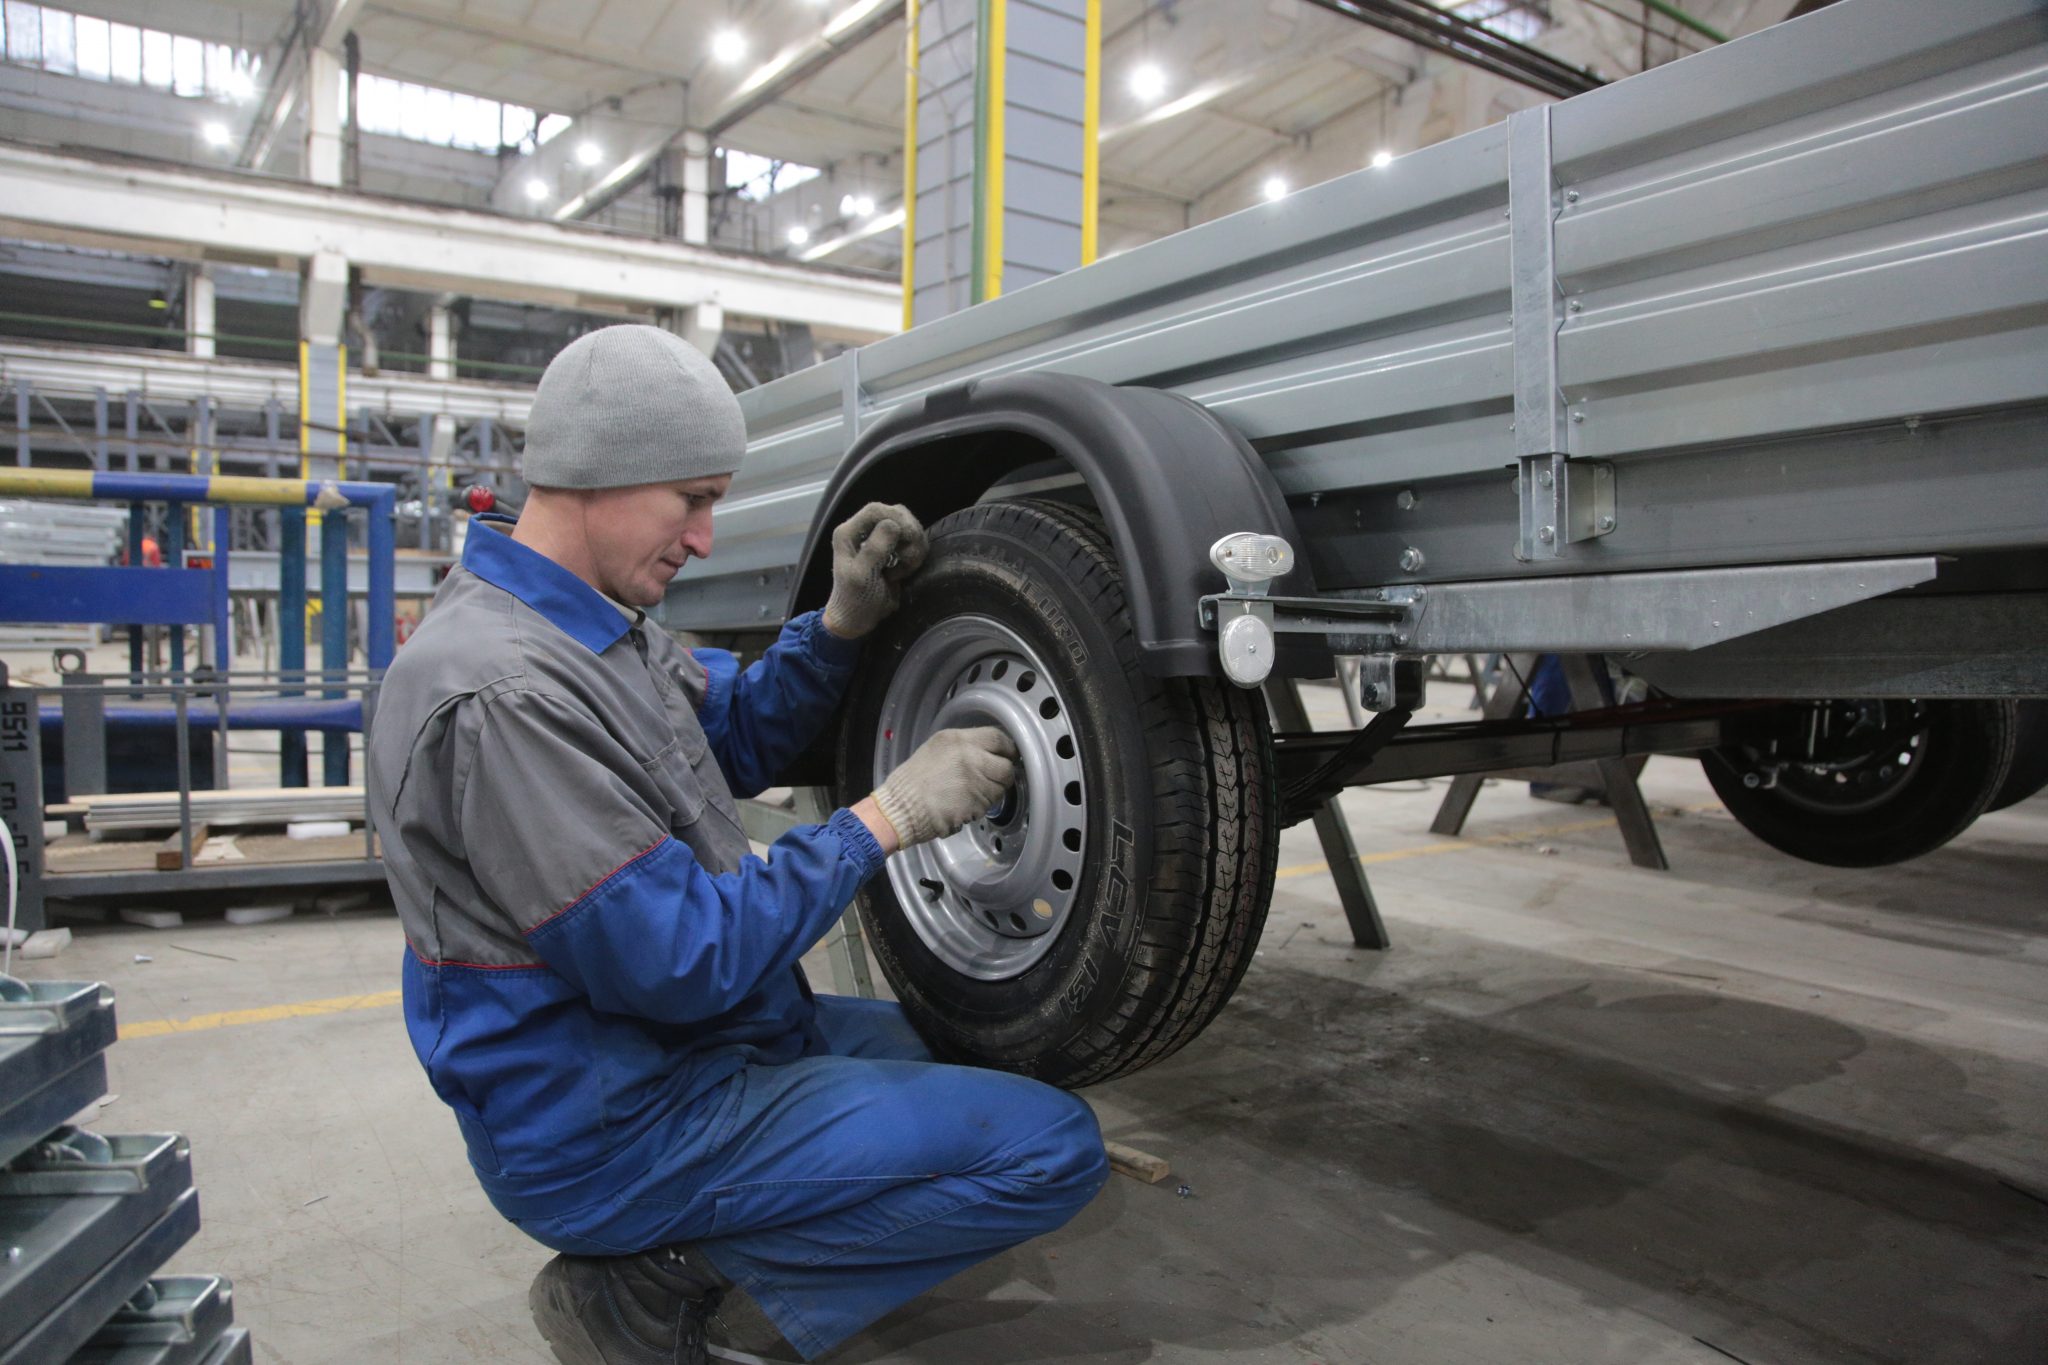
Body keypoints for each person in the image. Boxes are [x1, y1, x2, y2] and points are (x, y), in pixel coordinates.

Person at [367, 325, 1110, 1365]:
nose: (706, 538)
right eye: (693, 500)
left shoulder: (590, 625)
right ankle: (659, 1291)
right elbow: (679, 959)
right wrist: (886, 818)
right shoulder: (504, 693)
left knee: (980, 1050)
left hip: (703, 1047)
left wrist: (840, 623)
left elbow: (737, 731)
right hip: (613, 1120)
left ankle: (730, 1231)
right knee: (1047, 1150)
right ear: (600, 475)